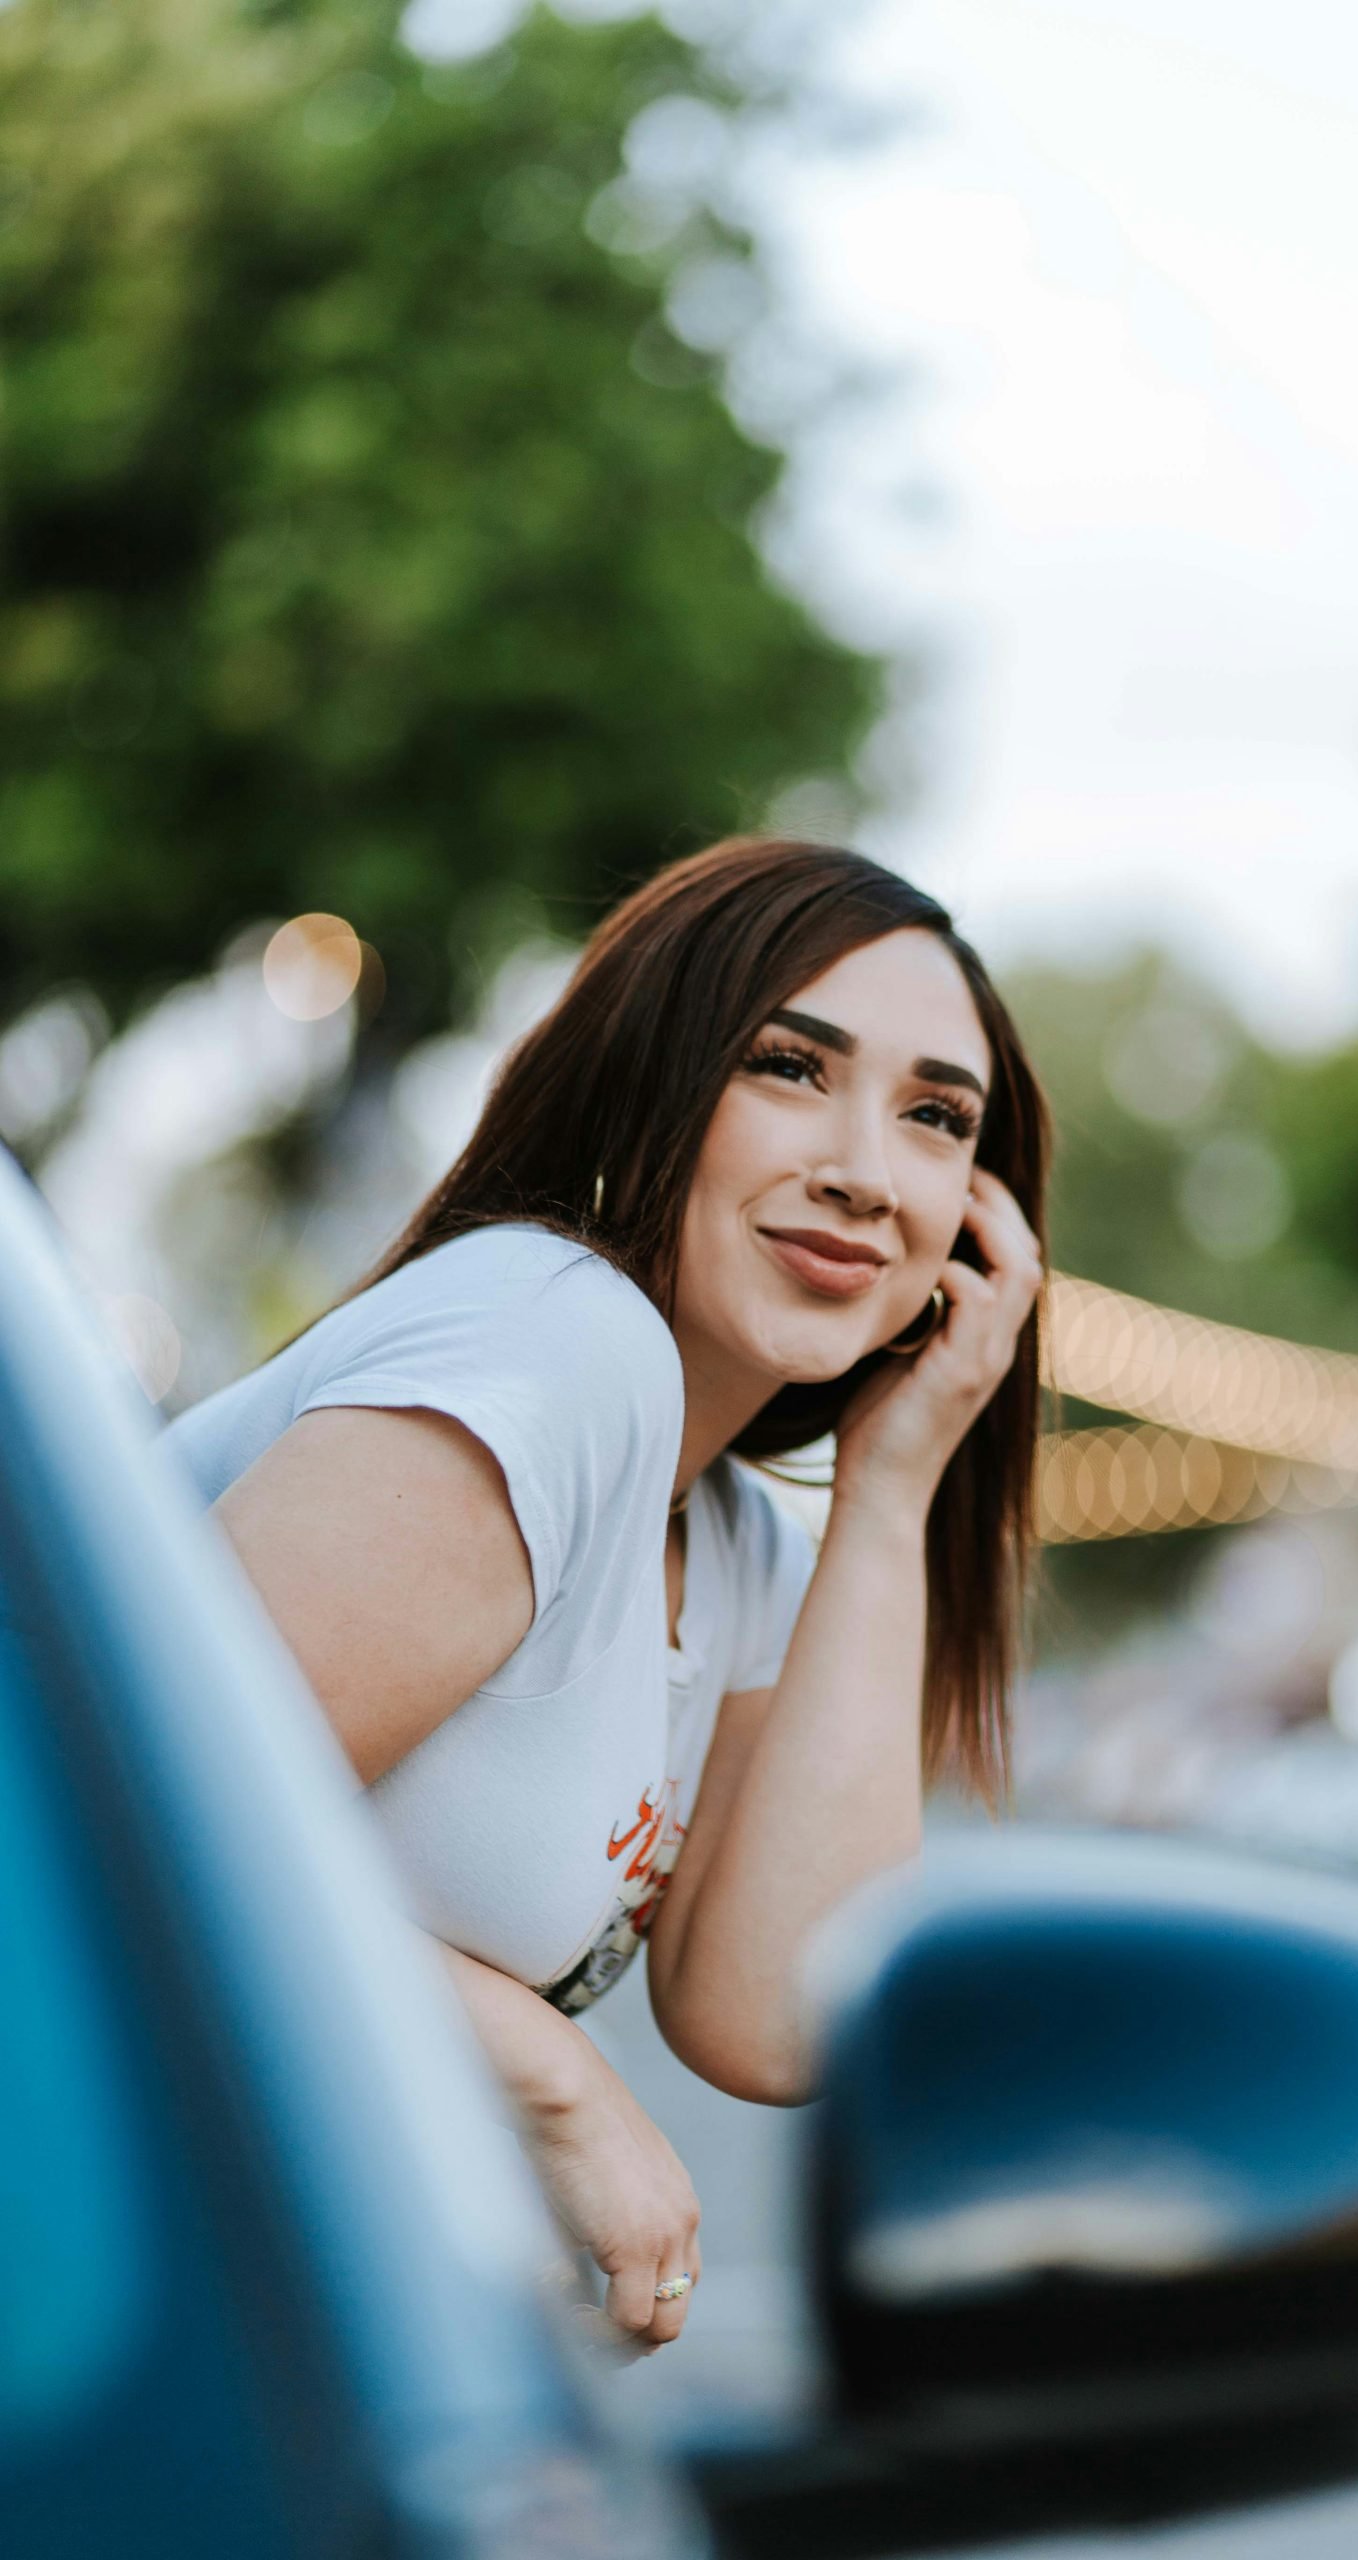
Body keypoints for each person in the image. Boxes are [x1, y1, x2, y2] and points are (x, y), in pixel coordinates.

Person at [165, 835, 1049, 2355]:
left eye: (934, 1119)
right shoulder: (559, 1342)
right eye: (788, 1066)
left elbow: (778, 2015)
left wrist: (895, 1489)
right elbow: (123, 1828)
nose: (860, 1167)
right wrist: (553, 2079)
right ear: (649, 1078)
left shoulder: (740, 1540)